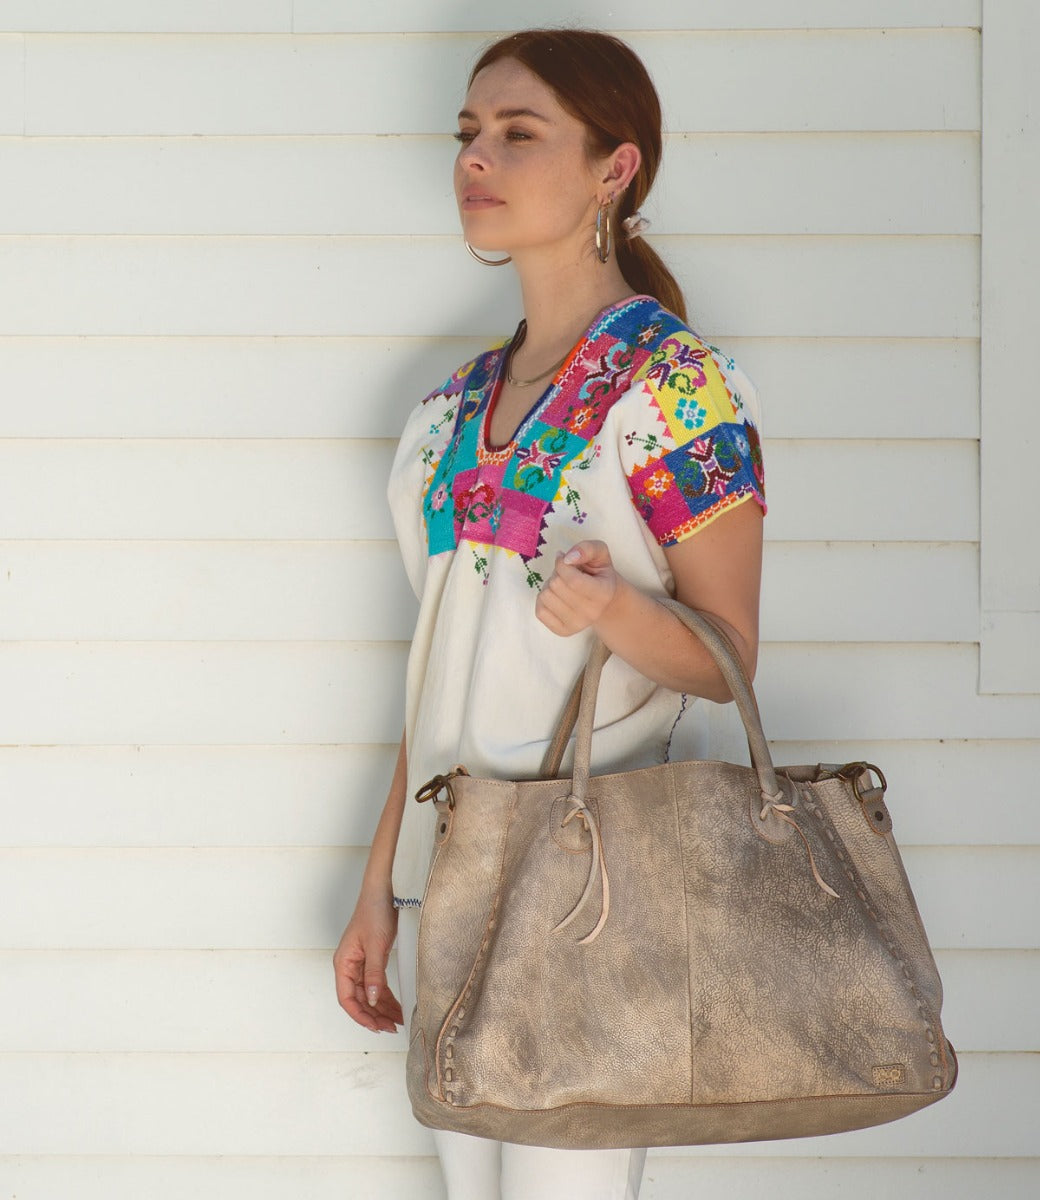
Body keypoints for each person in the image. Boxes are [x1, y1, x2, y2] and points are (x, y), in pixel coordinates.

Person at [334, 28, 766, 1200]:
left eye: (519, 134)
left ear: (612, 169)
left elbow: (726, 660)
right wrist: (380, 887)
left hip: (591, 881)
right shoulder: (443, 413)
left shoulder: (673, 386)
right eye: (469, 134)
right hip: (450, 876)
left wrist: (617, 611)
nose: (478, 157)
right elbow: (431, 673)